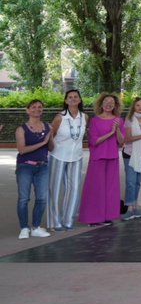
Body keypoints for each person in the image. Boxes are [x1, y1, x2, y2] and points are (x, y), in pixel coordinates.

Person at [79, 93, 124, 226]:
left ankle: (107, 216)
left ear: (115, 105)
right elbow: (94, 141)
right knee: (95, 188)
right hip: (98, 157)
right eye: (106, 101)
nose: (109, 104)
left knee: (110, 189)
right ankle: (92, 218)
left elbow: (121, 142)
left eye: (112, 102)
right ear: (101, 104)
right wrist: (110, 132)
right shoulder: (95, 120)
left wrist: (116, 130)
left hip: (112, 157)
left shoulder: (119, 120)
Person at [48, 90, 86, 232]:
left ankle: (68, 220)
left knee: (74, 189)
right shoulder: (60, 117)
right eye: (70, 97)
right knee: (55, 189)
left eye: (76, 97)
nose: (73, 99)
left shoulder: (84, 117)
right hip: (58, 155)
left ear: (80, 99)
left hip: (76, 157)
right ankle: (54, 222)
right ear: (65, 101)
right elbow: (50, 136)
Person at [15, 99, 53, 238]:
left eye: (40, 107)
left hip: (43, 166)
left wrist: (51, 137)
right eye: (33, 107)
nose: (37, 109)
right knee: (24, 198)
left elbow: (51, 148)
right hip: (25, 166)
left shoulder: (48, 127)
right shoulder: (21, 129)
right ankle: (24, 228)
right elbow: (22, 150)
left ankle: (36, 227)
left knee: (42, 198)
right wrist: (43, 142)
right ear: (28, 110)